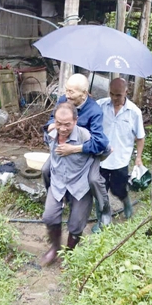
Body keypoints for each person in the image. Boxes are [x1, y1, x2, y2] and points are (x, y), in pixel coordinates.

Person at [42, 73, 112, 228]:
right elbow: (51, 119)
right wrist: (51, 124)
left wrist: (74, 149)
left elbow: (100, 143)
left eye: (71, 92)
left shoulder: (95, 111)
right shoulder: (63, 100)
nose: (67, 95)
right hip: (63, 148)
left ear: (84, 94)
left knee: (94, 179)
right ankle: (55, 198)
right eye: (66, 90)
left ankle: (104, 209)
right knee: (46, 170)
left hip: (85, 153)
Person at [41, 102, 96, 266]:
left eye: (67, 124)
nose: (62, 128)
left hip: (80, 184)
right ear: (54, 121)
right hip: (58, 182)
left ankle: (69, 253)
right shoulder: (51, 134)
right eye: (58, 123)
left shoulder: (85, 136)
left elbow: (105, 149)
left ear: (76, 120)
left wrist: (90, 169)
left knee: (76, 223)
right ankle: (55, 248)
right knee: (49, 216)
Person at [97, 77, 145, 219]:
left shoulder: (134, 112)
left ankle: (126, 201)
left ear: (126, 92)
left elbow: (141, 137)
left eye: (118, 95)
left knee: (118, 189)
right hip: (101, 158)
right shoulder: (100, 106)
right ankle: (103, 217)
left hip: (121, 159)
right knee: (100, 190)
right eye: (111, 94)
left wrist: (138, 157)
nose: (114, 98)